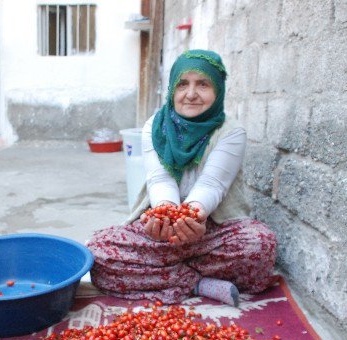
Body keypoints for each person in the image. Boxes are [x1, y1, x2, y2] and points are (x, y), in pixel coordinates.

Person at [86, 49, 277, 306]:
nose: (191, 94)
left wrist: (193, 216)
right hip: (160, 231)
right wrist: (166, 214)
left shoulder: (230, 132)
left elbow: (212, 184)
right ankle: (198, 283)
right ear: (172, 89)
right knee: (97, 252)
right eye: (182, 84)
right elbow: (160, 179)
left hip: (213, 230)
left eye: (203, 84)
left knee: (260, 245)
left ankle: (164, 274)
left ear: (218, 90)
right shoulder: (154, 127)